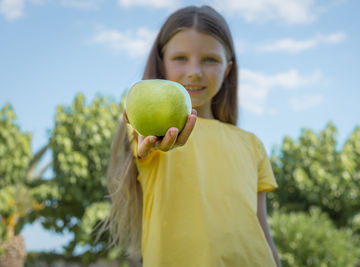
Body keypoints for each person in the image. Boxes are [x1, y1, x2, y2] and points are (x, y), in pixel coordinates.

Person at [103, 5, 281, 267]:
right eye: (180, 58)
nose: (195, 71)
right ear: (161, 64)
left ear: (228, 69)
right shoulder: (150, 135)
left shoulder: (252, 145)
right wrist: (154, 140)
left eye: (210, 59)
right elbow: (147, 147)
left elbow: (263, 230)